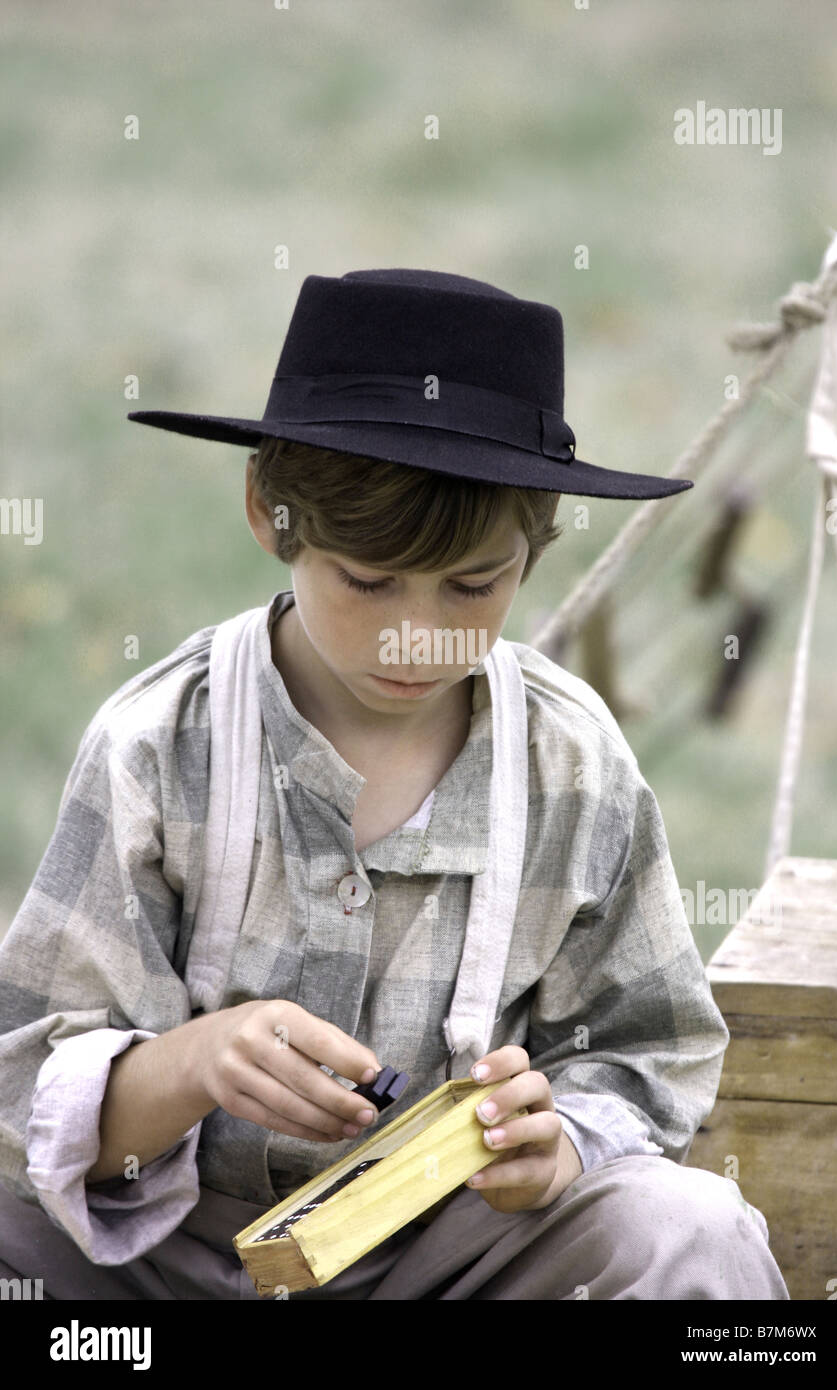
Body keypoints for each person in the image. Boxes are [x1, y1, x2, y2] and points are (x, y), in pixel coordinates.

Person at [0, 268, 789, 1300]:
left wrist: (554, 1146)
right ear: (270, 514)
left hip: (455, 1260)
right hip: (169, 1260)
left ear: (536, 541)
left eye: (471, 585)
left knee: (690, 1231)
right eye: (365, 580)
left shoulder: (572, 763)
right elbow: (29, 1094)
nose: (413, 628)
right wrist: (195, 1062)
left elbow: (645, 1052)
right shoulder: (160, 740)